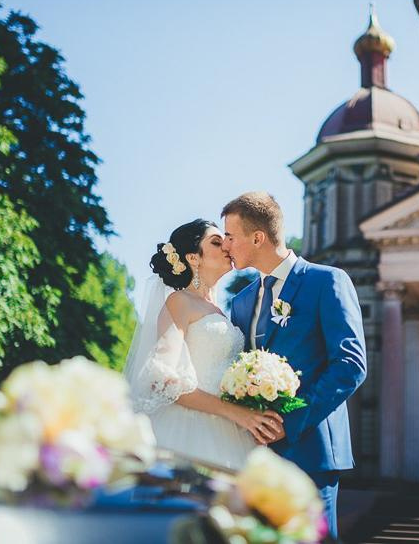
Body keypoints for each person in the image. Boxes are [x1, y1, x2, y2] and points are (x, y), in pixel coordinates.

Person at [222, 192, 367, 539]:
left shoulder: (327, 281)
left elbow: (350, 364)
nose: (225, 245)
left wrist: (290, 421)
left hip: (312, 451)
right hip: (257, 455)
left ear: (257, 238)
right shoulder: (241, 302)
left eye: (230, 236)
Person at [123, 219, 283, 470]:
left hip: (232, 432)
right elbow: (162, 377)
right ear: (193, 259)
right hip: (191, 429)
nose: (227, 247)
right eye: (216, 242)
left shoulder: (222, 310)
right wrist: (236, 413)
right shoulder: (180, 301)